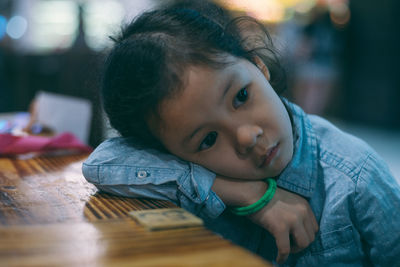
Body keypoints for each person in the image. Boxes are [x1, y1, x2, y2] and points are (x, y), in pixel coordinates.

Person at [82, 1, 400, 265]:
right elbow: (102, 164)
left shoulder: (354, 176)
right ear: (170, 153)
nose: (247, 137)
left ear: (258, 66)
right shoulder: (200, 177)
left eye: (241, 97)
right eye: (208, 139)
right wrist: (248, 195)